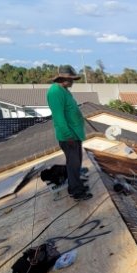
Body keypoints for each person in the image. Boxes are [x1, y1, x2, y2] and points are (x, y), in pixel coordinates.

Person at [46, 66, 92, 201]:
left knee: (76, 163)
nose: (73, 82)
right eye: (71, 80)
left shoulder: (64, 90)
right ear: (63, 78)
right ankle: (76, 191)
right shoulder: (55, 93)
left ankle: (76, 183)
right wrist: (68, 136)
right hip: (69, 137)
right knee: (73, 164)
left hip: (75, 134)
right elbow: (59, 118)